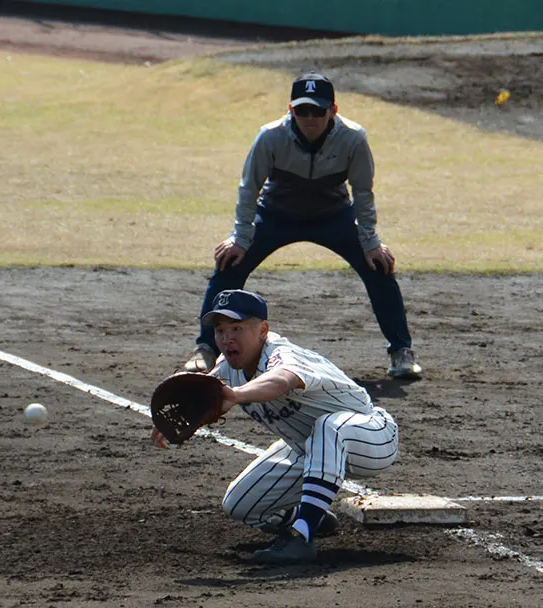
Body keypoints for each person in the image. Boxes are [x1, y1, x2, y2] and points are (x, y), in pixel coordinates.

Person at [183, 72, 422, 380]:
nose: (309, 118)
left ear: (333, 111)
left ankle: (401, 351)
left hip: (332, 214)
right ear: (290, 109)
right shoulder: (270, 136)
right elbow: (249, 188)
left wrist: (371, 242)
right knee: (229, 263)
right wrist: (240, 237)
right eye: (302, 110)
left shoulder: (353, 138)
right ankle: (205, 349)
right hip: (276, 214)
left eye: (318, 111)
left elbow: (363, 192)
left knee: (378, 266)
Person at [157, 289, 399, 565]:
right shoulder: (228, 366)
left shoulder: (284, 355)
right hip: (308, 449)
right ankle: (314, 517)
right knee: (240, 505)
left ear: (263, 330)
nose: (227, 339)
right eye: (220, 330)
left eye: (237, 328)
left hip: (370, 436)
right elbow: (205, 393)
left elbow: (282, 381)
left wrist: (237, 395)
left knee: (329, 426)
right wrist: (179, 414)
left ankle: (302, 537)